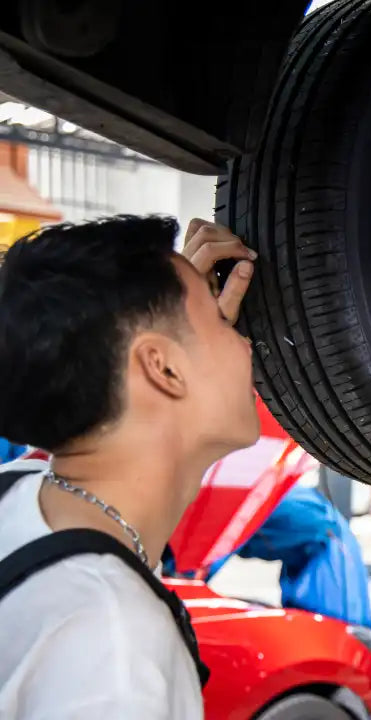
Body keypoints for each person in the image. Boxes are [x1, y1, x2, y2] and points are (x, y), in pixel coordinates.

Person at [0, 216, 257, 718]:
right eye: (216, 320)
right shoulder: (116, 650)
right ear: (162, 367)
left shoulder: (21, 491)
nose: (244, 342)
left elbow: (148, 463)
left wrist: (192, 334)